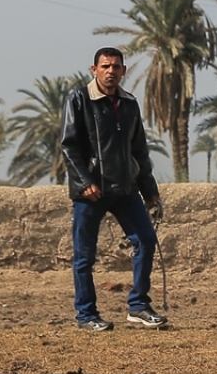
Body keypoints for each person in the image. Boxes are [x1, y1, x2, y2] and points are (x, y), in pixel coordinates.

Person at [60, 47, 167, 331]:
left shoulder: (129, 104)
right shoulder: (79, 100)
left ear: (123, 71)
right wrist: (85, 183)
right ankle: (86, 315)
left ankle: (139, 307)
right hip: (90, 194)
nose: (111, 71)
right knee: (85, 256)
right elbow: (69, 147)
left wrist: (150, 191)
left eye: (116, 67)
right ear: (93, 70)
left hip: (125, 190)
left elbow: (140, 151)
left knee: (145, 240)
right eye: (105, 66)